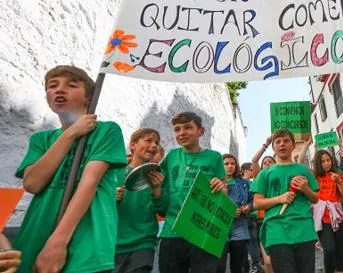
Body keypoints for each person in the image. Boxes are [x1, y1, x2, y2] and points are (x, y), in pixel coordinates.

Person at [13, 65, 127, 273]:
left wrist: (58, 243)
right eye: (52, 86)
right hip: (37, 232)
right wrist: (70, 134)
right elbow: (33, 183)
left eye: (71, 85)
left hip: (87, 238)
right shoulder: (41, 140)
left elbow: (89, 184)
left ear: (88, 96)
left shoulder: (107, 131)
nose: (59, 90)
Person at [158, 112, 226, 273]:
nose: (181, 133)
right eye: (177, 129)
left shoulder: (214, 157)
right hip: (172, 232)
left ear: (201, 132)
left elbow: (223, 189)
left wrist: (221, 186)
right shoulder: (172, 156)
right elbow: (156, 177)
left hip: (201, 232)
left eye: (188, 127)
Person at [251, 129, 319, 273]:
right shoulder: (265, 173)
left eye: (286, 141)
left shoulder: (304, 170)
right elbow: (257, 203)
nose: (282, 144)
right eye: (278, 141)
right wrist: (279, 199)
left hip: (303, 229)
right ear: (273, 147)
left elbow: (315, 199)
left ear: (293, 145)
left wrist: (305, 188)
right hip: (277, 231)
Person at [114, 128, 166, 273]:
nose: (154, 145)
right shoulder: (114, 171)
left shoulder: (160, 177)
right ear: (133, 145)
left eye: (156, 142)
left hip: (143, 244)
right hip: (112, 243)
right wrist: (111, 198)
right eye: (148, 140)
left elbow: (163, 210)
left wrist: (157, 191)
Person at [312, 149, 343, 273]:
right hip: (323, 219)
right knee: (329, 250)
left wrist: (340, 182)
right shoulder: (314, 177)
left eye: (328, 160)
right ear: (318, 164)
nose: (326, 163)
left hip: (337, 217)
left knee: (340, 250)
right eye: (323, 161)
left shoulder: (337, 175)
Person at [218, 154, 253, 273]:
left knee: (239, 265)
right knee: (219, 265)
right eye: (226, 164)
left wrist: (248, 206)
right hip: (219, 226)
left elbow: (254, 199)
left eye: (232, 164)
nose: (230, 166)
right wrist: (228, 210)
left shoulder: (244, 183)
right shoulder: (215, 182)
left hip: (239, 226)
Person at [241, 162, 263, 273]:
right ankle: (255, 265)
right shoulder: (245, 183)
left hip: (251, 216)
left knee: (251, 241)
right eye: (251, 169)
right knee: (252, 242)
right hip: (248, 216)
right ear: (245, 170)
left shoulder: (249, 183)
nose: (252, 171)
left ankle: (254, 265)